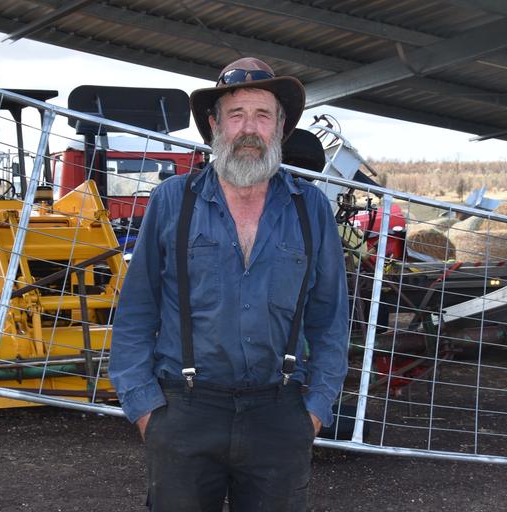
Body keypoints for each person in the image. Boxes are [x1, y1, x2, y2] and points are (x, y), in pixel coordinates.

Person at [109, 57, 349, 512]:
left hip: (279, 412)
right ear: (215, 125)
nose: (249, 129)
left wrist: (315, 410)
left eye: (262, 115)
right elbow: (136, 312)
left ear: (280, 128)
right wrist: (145, 411)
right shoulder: (172, 201)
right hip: (184, 411)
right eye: (236, 115)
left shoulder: (310, 208)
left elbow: (331, 319)